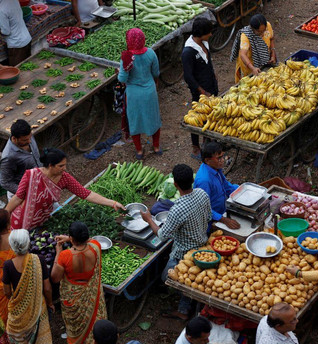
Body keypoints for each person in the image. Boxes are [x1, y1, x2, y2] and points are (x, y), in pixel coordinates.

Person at [141, 164, 212, 320]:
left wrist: (148, 220)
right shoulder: (202, 194)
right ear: (192, 181)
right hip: (203, 245)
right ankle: (185, 306)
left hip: (184, 254)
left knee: (167, 277)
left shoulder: (178, 209)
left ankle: (186, 306)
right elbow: (208, 217)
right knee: (185, 279)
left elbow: (162, 235)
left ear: (175, 184)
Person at [5, 148, 125, 230]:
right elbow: (17, 198)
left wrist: (112, 203)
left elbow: (86, 194)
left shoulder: (64, 178)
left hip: (42, 220)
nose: (64, 168)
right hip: (21, 220)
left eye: (65, 165)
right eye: (61, 166)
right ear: (50, 165)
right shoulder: (31, 175)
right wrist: (4, 215)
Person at [51, 221, 107, 344]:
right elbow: (89, 241)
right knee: (92, 322)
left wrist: (58, 253)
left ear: (72, 239)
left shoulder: (65, 256)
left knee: (76, 325)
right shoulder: (96, 247)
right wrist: (69, 238)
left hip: (74, 297)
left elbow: (55, 278)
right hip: (90, 295)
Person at [2, 229, 53, 344]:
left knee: (15, 342)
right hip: (38, 307)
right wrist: (50, 303)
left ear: (12, 245)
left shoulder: (8, 265)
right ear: (28, 244)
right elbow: (47, 288)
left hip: (18, 310)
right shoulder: (39, 260)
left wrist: (18, 300)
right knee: (40, 338)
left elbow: (7, 291)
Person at [118, 28, 162, 160]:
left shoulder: (126, 57)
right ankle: (156, 147)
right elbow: (156, 73)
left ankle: (139, 150)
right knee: (153, 118)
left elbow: (122, 79)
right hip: (149, 91)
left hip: (134, 94)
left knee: (135, 121)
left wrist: (119, 71)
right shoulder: (150, 53)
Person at [182, 17, 219, 160]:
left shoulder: (204, 43)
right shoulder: (188, 52)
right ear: (201, 33)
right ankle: (195, 147)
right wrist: (202, 91)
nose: (211, 35)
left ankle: (207, 140)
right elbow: (188, 76)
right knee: (197, 117)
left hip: (211, 85)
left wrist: (213, 75)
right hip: (200, 90)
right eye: (208, 32)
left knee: (210, 114)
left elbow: (208, 62)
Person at [194, 142, 240, 230]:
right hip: (209, 222)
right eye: (219, 158)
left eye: (223, 156)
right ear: (207, 160)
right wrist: (224, 220)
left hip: (222, 211)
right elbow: (203, 209)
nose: (223, 160)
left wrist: (242, 190)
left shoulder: (216, 168)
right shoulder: (204, 181)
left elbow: (226, 186)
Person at [0, 119, 42, 200]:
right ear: (14, 138)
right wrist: (26, 193)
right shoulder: (8, 156)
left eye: (30, 137)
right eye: (25, 140)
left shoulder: (28, 136)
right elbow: (5, 182)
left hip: (38, 183)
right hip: (23, 194)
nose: (30, 141)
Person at [230, 14, 276, 83]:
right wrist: (252, 68)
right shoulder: (246, 35)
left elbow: (271, 39)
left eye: (264, 30)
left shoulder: (268, 25)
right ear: (252, 29)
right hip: (249, 64)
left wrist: (273, 54)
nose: (262, 34)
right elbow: (243, 54)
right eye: (259, 32)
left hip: (263, 61)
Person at [0, 0, 31, 66]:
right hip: (27, 38)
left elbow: (6, 32)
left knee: (19, 71)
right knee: (28, 67)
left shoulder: (1, 10)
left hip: (17, 45)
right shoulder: (14, 1)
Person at [0, 210, 15, 325]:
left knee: (5, 315)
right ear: (7, 224)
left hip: (2, 287)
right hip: (16, 279)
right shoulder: (15, 238)